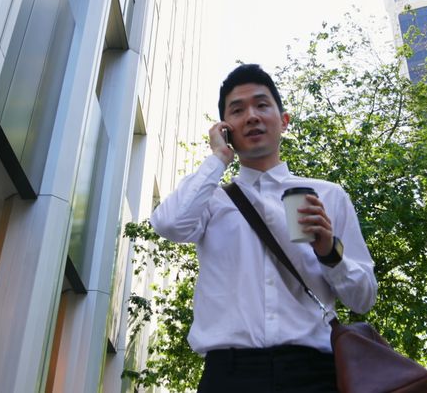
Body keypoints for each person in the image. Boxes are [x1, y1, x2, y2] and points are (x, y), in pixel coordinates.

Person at [150, 64, 377, 393]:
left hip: (314, 373)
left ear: (283, 121)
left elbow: (363, 298)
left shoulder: (328, 195)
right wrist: (217, 158)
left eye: (262, 105)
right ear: (225, 129)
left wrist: (330, 251)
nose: (252, 116)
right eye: (238, 110)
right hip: (229, 375)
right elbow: (169, 224)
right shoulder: (211, 200)